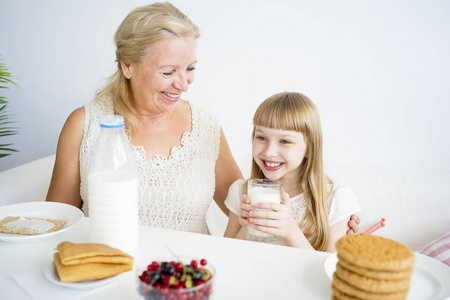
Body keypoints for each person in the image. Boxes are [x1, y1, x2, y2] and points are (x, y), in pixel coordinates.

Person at [46, 2, 359, 235]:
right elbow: (57, 222)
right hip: (109, 271)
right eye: (168, 71)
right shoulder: (84, 125)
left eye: (190, 68)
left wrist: (327, 222)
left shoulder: (205, 125)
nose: (183, 84)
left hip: (191, 280)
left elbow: (247, 205)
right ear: (127, 66)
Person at [224, 92, 361, 251]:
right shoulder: (240, 192)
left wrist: (289, 230)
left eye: (284, 141)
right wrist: (247, 226)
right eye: (261, 138)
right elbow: (226, 255)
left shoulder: (334, 200)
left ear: (310, 148)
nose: (269, 152)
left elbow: (329, 273)